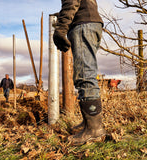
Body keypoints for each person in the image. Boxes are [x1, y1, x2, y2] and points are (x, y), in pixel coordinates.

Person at [53, 0, 106, 145]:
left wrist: (61, 28)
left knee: (85, 74)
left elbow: (71, 2)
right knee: (84, 72)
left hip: (83, 24)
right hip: (89, 23)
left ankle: (94, 130)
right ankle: (88, 123)